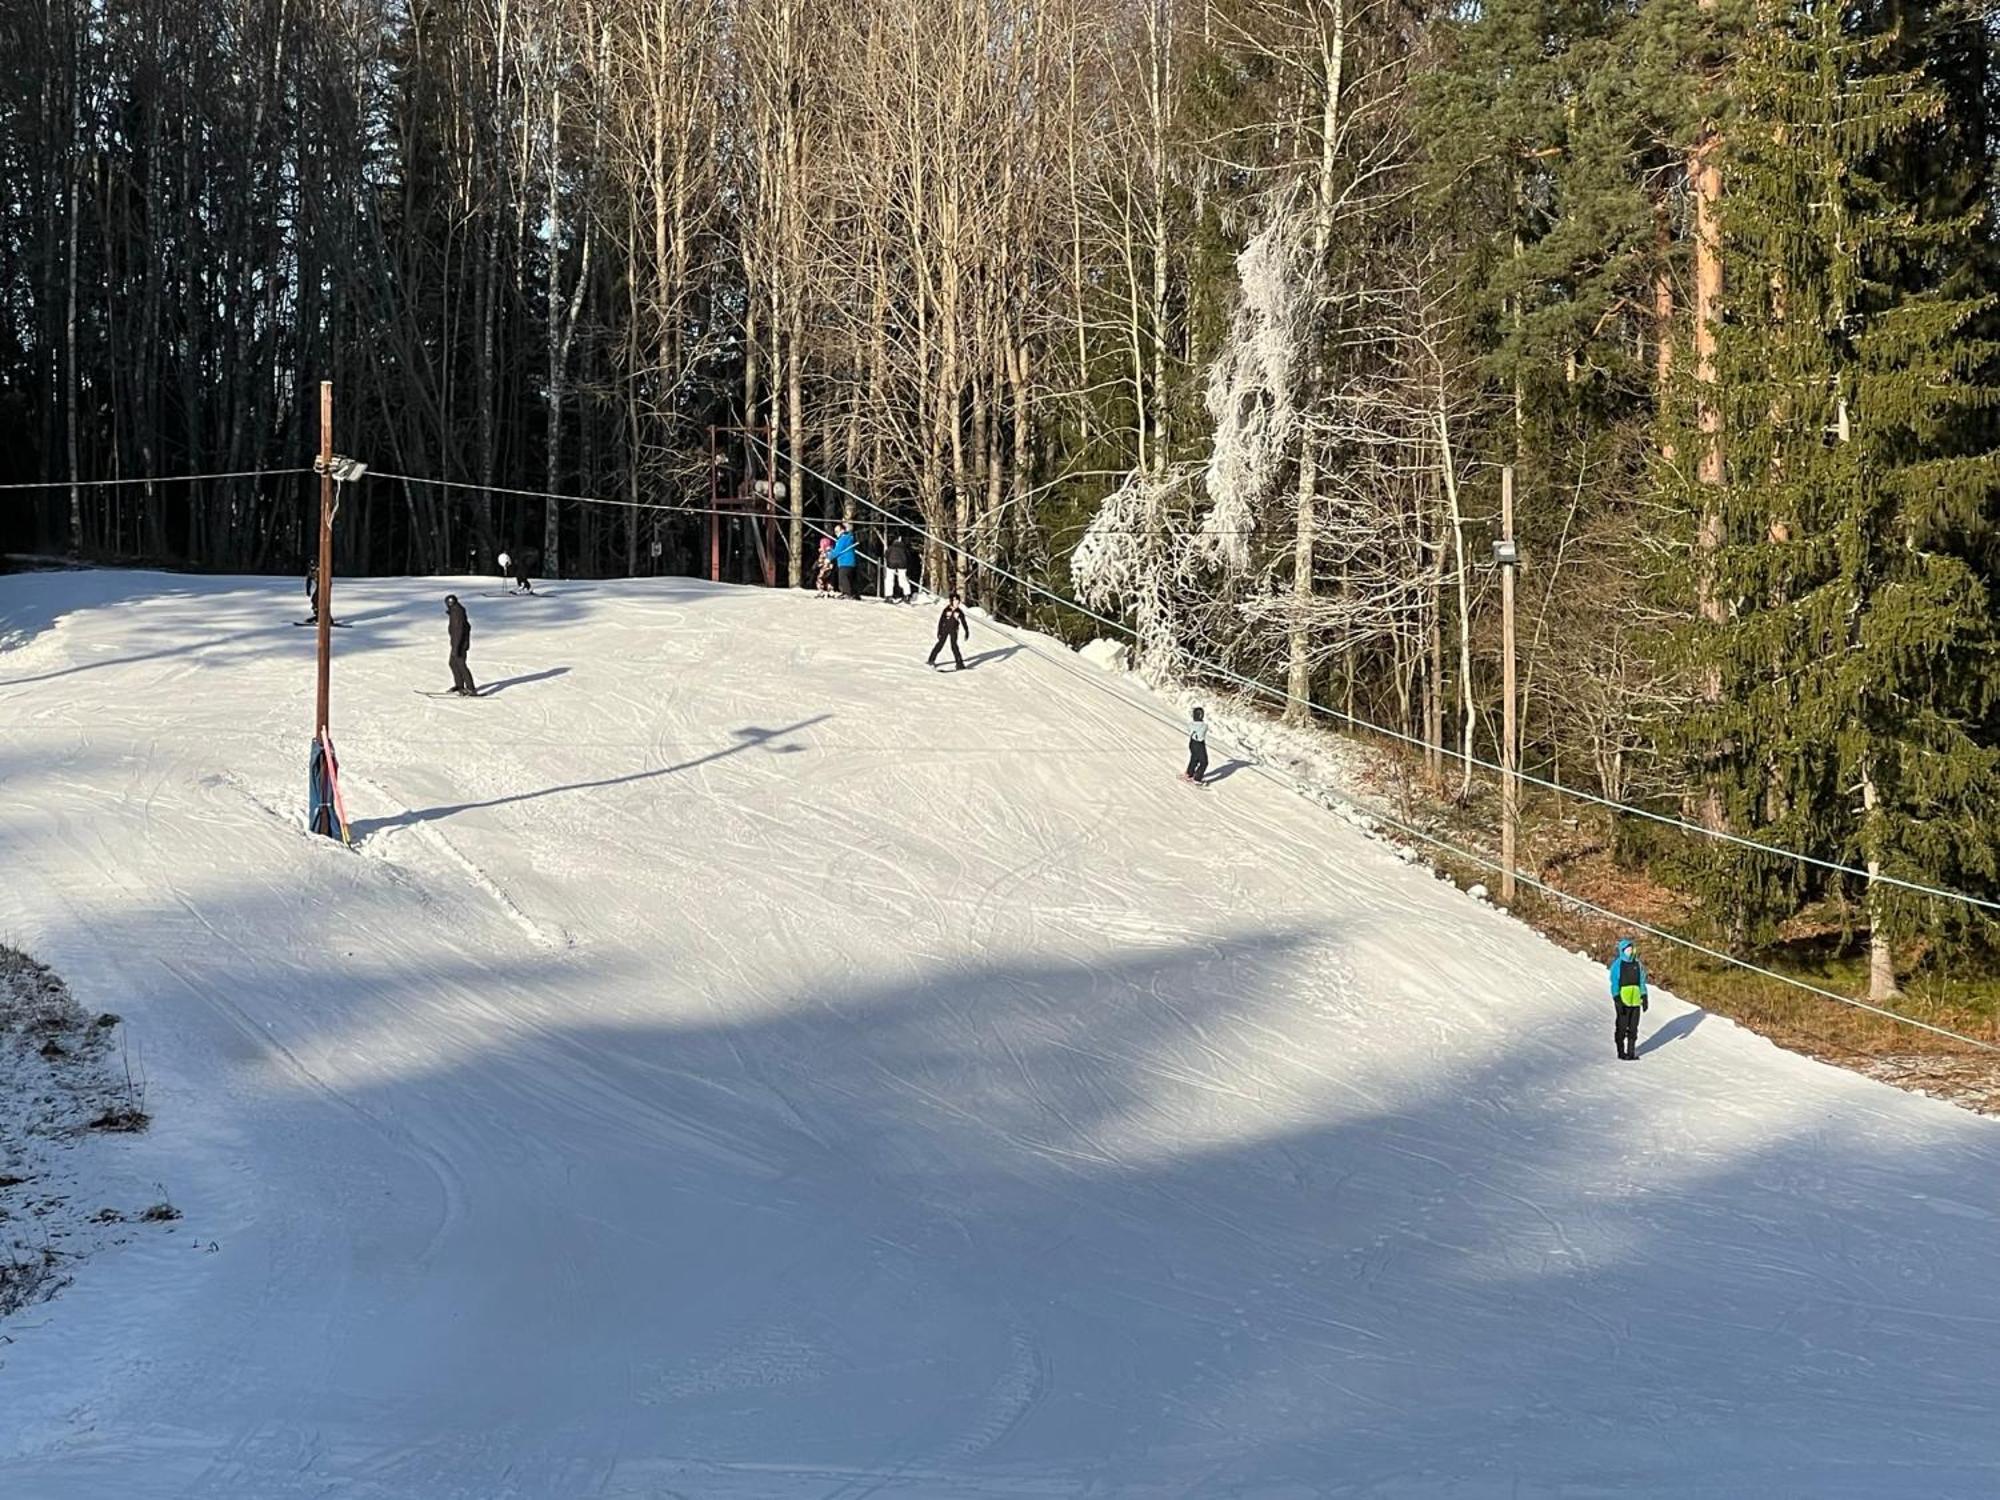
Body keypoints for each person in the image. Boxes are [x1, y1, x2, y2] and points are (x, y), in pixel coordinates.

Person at [1609, 937, 1648, 1060]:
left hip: (1635, 1001)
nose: (1630, 951)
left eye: (1631, 949)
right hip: (1623, 1001)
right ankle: (1621, 1052)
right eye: (1627, 949)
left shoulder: (1637, 964)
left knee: (1633, 1027)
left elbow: (1642, 981)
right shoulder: (1618, 965)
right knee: (1621, 1026)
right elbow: (1614, 982)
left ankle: (1631, 1052)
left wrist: (1644, 995)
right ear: (1622, 950)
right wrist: (1616, 997)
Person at [445, 593, 477, 696]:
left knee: (461, 665)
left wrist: (456, 648)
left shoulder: (457, 613)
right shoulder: (456, 611)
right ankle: (459, 685)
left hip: (459, 644)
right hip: (457, 643)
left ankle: (471, 688)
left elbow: (459, 631)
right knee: (453, 663)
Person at [928, 593, 970, 670]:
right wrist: (939, 631)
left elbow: (964, 622)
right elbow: (941, 621)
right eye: (955, 601)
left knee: (954, 646)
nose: (957, 603)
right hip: (945, 629)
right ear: (951, 601)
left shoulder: (959, 612)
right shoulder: (946, 610)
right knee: (940, 644)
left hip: (954, 630)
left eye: (958, 601)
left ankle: (959, 663)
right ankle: (931, 660)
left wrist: (967, 632)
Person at [831, 522, 859, 600]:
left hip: (845, 562)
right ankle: (853, 593)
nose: (836, 533)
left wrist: (828, 557)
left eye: (837, 531)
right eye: (835, 532)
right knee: (849, 578)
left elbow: (837, 551)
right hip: (849, 563)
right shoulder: (847, 538)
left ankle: (847, 593)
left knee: (843, 578)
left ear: (842, 530)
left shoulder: (843, 539)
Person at [885, 533, 913, 603]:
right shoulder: (904, 547)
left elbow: (886, 554)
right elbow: (908, 556)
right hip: (902, 564)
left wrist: (888, 561)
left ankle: (889, 596)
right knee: (903, 579)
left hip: (891, 563)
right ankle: (907, 595)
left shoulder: (891, 547)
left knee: (889, 579)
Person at [1184, 706, 1210, 784]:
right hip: (1199, 744)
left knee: (1194, 758)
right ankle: (1197, 778)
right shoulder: (1204, 726)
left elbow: (1189, 731)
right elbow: (1200, 738)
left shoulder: (1190, 724)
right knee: (1204, 762)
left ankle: (1189, 773)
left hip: (1192, 742)